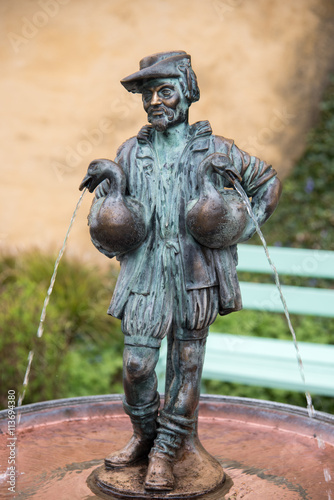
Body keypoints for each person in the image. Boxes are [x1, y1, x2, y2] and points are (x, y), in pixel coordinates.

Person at [79, 51, 281, 491]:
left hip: (196, 277)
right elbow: (114, 215)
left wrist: (240, 226)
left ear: (188, 93)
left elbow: (267, 183)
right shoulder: (131, 152)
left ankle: (169, 450)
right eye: (147, 94)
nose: (154, 101)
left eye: (164, 90)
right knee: (136, 365)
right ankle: (143, 435)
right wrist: (109, 199)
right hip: (147, 276)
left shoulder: (216, 149)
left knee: (186, 365)